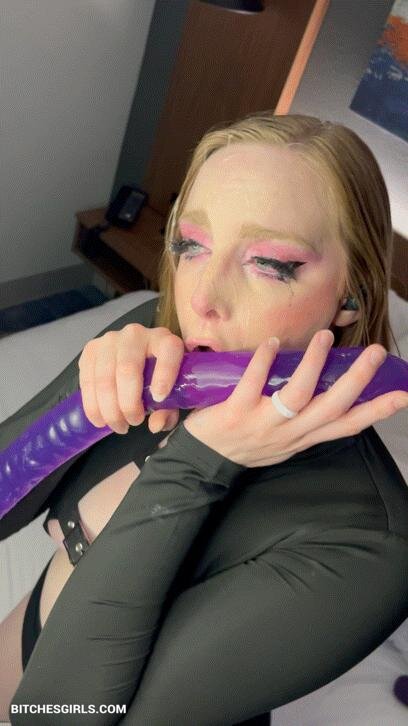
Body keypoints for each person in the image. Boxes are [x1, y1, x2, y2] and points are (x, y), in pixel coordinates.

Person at [1, 112, 408, 726]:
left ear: (350, 294)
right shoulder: (156, 346)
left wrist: (198, 460)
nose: (199, 300)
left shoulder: (369, 548)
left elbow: (55, 715)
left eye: (268, 262)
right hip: (20, 635)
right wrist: (83, 403)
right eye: (191, 245)